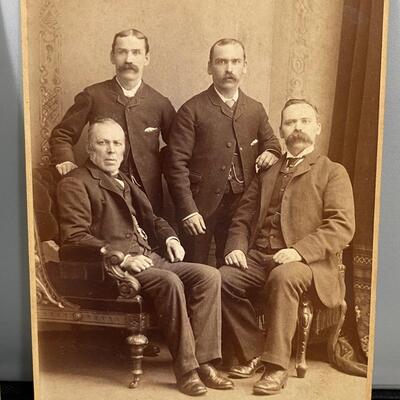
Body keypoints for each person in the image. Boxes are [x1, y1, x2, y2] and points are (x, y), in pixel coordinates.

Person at [57, 118, 234, 396]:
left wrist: (171, 237)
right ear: (90, 150)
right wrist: (121, 258)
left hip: (148, 257)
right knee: (169, 281)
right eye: (103, 143)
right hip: (112, 269)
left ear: (124, 148)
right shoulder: (75, 183)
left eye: (117, 143)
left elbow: (152, 218)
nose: (111, 150)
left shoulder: (125, 180)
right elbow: (74, 237)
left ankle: (206, 363)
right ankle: (187, 371)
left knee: (208, 275)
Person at [219, 99, 355, 395]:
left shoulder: (332, 172)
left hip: (307, 263)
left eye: (305, 121)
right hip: (259, 256)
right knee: (222, 278)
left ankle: (277, 366)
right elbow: (242, 217)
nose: (298, 128)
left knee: (284, 277)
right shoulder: (267, 171)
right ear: (281, 130)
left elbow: (341, 227)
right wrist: (237, 246)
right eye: (291, 122)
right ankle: (253, 349)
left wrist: (299, 251)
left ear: (317, 128)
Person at [165, 38, 281, 267]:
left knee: (233, 266)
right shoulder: (192, 110)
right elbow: (175, 164)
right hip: (200, 205)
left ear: (245, 66)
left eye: (235, 61)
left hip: (241, 207)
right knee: (196, 267)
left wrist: (271, 151)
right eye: (221, 62)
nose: (229, 69)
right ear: (209, 67)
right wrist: (188, 210)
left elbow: (273, 143)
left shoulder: (255, 109)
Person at [50, 28, 175, 214]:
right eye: (122, 52)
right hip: (100, 192)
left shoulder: (160, 103)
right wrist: (66, 159)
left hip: (148, 196)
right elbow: (62, 135)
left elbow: (178, 147)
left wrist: (158, 167)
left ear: (146, 58)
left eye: (136, 52)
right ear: (112, 56)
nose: (129, 59)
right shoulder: (93, 95)